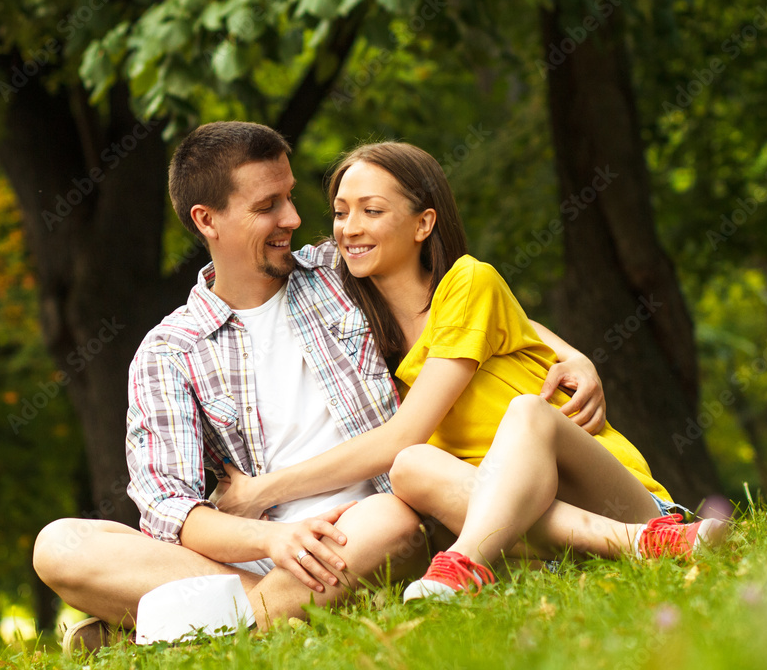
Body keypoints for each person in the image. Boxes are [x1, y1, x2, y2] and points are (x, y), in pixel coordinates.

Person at [33, 123, 607, 651]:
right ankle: (268, 610)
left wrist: (570, 353)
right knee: (59, 545)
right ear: (207, 220)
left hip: (375, 529)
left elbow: (463, 303)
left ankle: (192, 630)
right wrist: (272, 544)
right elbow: (170, 510)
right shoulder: (169, 351)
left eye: (289, 197)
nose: (291, 217)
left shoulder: (338, 271)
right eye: (267, 206)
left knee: (387, 519)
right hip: (260, 553)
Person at [213, 140, 727, 601]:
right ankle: (641, 548)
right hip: (514, 518)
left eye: (372, 210)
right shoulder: (365, 331)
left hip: (617, 496)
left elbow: (408, 427)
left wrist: (263, 490)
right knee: (412, 468)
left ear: (424, 223)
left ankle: (472, 564)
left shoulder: (467, 281)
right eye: (341, 212)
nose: (350, 229)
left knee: (524, 414)